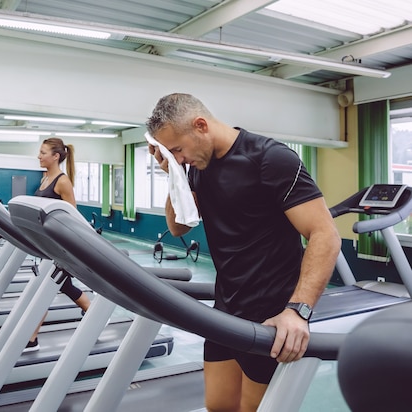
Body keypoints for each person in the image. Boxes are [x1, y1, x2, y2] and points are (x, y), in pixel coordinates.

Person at [146, 93, 341, 412]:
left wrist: (298, 311)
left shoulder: (269, 158)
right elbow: (179, 227)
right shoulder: (197, 165)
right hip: (225, 309)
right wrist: (175, 176)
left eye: (178, 150)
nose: (178, 158)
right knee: (219, 406)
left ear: (200, 125)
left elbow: (325, 234)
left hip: (271, 316)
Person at [24, 137, 92, 352]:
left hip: (58, 246)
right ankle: (91, 311)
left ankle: (32, 337)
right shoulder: (45, 179)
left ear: (55, 156)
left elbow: (71, 216)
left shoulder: (62, 181)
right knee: (62, 286)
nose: (39, 156)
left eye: (43, 152)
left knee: (45, 287)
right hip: (44, 244)